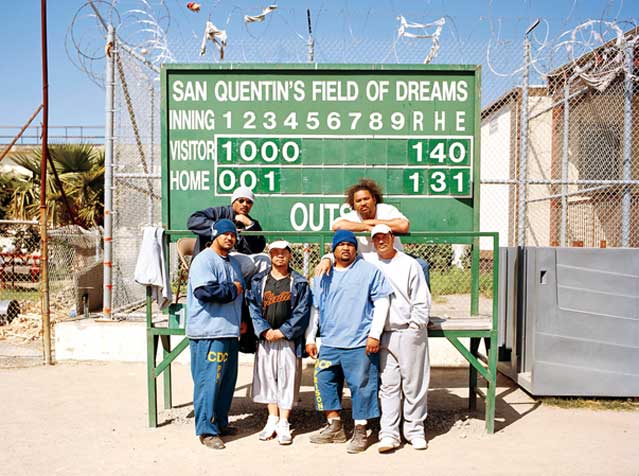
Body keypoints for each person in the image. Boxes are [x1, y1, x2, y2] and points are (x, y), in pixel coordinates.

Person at [305, 230, 393, 454]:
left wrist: (374, 334)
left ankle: (361, 431)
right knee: (324, 381)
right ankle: (334, 426)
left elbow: (382, 302)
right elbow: (315, 308)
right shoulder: (322, 274)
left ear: (356, 248)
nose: (345, 248)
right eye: (340, 244)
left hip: (359, 341)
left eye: (350, 244)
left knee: (361, 386)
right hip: (330, 342)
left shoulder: (369, 271)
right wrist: (310, 337)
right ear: (333, 249)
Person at [365, 224, 431, 453]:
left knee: (413, 384)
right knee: (389, 385)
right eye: (376, 238)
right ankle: (389, 434)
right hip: (384, 333)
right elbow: (342, 254)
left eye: (384, 236)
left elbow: (421, 299)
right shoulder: (370, 263)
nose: (381, 241)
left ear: (392, 238)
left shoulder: (409, 264)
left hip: (408, 330)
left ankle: (414, 431)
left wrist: (416, 325)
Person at [186, 219, 245, 450]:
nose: (229, 237)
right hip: (208, 331)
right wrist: (233, 289)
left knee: (226, 383)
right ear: (215, 235)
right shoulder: (204, 259)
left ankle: (220, 423)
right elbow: (204, 291)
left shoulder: (232, 262)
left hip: (229, 331)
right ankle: (206, 430)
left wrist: (240, 322)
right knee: (208, 382)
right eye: (225, 234)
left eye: (232, 234)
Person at [246, 240, 312, 445]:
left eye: (284, 252)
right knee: (267, 378)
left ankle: (284, 422)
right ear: (270, 255)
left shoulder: (298, 282)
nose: (279, 256)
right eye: (275, 252)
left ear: (290, 255)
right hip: (266, 338)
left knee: (288, 378)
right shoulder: (259, 281)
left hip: (288, 340)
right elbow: (253, 308)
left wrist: (283, 331)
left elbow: (303, 311)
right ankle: (272, 419)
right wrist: (265, 330)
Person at [325, 179, 430, 286]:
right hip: (365, 262)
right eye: (358, 201)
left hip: (393, 259)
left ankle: (422, 302)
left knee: (421, 265)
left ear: (374, 199)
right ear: (354, 204)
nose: (363, 203)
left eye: (366, 199)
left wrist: (373, 223)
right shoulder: (352, 216)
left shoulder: (386, 210)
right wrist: (365, 226)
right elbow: (336, 226)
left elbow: (403, 225)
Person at [187, 186, 266, 258]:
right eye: (241, 201)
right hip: (209, 260)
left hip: (235, 263)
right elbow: (193, 221)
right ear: (233, 202)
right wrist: (221, 228)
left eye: (249, 202)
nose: (245, 204)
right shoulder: (220, 213)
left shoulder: (251, 223)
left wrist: (250, 226)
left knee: (264, 259)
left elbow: (258, 249)